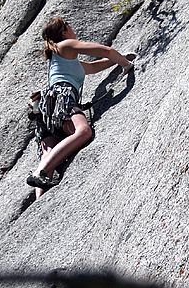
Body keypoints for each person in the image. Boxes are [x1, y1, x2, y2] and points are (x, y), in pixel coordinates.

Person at [28, 16, 134, 197]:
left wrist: (119, 59)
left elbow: (93, 67)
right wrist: (126, 65)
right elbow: (105, 51)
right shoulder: (66, 45)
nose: (73, 30)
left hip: (46, 110)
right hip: (62, 97)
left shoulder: (62, 59)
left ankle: (40, 198)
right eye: (70, 26)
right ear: (64, 31)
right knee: (83, 131)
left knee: (50, 153)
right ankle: (40, 172)